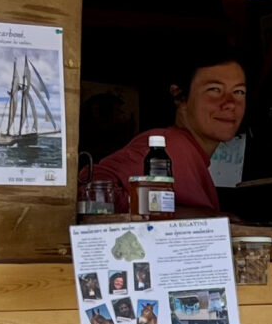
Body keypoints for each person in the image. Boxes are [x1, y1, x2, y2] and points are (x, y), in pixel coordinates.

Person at [88, 47, 247, 217]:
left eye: (238, 92)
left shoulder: (191, 153)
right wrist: (186, 216)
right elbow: (90, 185)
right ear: (179, 96)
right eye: (214, 90)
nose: (230, 103)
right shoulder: (167, 145)